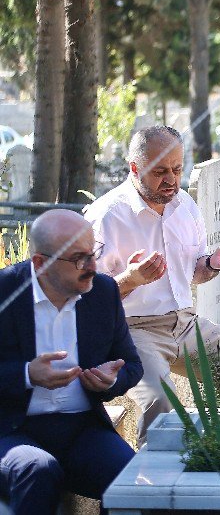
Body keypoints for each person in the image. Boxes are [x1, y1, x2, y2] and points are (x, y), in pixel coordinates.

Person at [84, 125, 220, 445]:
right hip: (131, 330)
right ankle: (153, 487)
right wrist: (131, 279)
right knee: (160, 402)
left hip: (185, 322)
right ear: (135, 168)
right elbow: (89, 298)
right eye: (160, 171)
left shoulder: (185, 206)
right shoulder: (107, 216)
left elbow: (194, 273)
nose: (171, 180)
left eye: (177, 169)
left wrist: (213, 263)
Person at [0, 210, 142, 515]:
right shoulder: (4, 291)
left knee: (131, 479)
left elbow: (131, 364)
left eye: (94, 254)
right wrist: (26, 374)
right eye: (79, 259)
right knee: (37, 469)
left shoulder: (102, 292)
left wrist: (112, 380)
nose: (92, 266)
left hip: (81, 429)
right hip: (11, 428)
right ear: (40, 263)